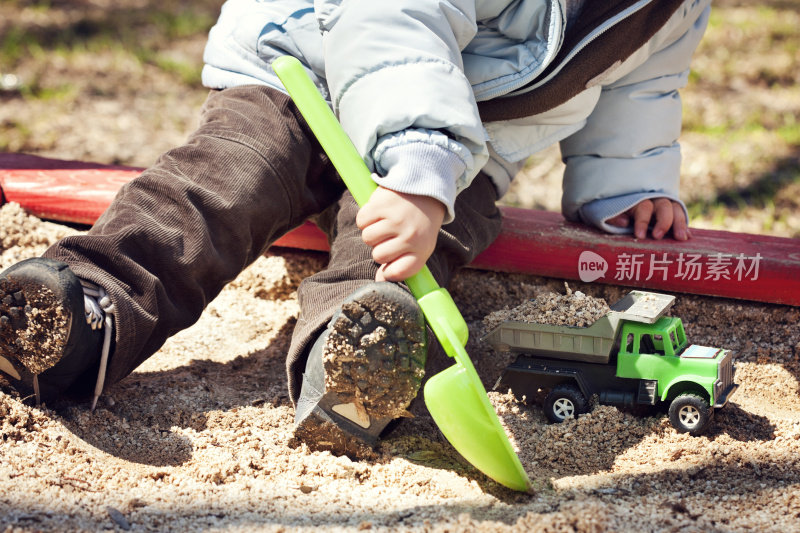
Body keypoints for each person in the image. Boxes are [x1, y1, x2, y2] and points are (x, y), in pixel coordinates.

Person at [0, 0, 710, 456]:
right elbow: (395, 19)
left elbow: (642, 81)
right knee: (222, 187)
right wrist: (419, 161)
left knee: (407, 260)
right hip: (305, 66)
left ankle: (348, 363)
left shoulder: (675, 8)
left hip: (469, 138)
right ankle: (85, 311)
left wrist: (631, 186)